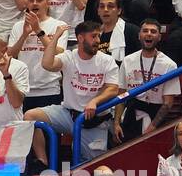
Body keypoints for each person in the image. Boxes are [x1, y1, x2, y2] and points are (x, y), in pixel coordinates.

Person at [25, 21, 120, 163]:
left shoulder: (106, 60)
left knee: (93, 164)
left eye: (98, 36)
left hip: (92, 119)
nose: (98, 41)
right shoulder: (69, 57)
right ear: (80, 38)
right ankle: (42, 162)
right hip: (68, 114)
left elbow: (113, 89)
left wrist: (94, 101)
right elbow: (47, 64)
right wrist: (56, 37)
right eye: (93, 36)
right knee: (30, 116)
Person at [116, 18, 180, 141]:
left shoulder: (169, 64)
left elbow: (168, 102)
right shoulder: (128, 60)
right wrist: (117, 122)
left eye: (153, 31)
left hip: (156, 115)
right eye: (145, 31)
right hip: (131, 114)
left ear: (159, 37)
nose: (149, 34)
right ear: (139, 35)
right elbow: (121, 95)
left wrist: (153, 126)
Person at [8, 0, 67, 121]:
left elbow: (59, 53)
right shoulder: (18, 26)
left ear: (47, 3)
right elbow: (10, 55)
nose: (35, 3)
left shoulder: (59, 25)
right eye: (31, 0)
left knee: (50, 136)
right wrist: (24, 35)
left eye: (39, 0)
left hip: (50, 89)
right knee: (26, 136)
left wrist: (38, 30)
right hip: (24, 89)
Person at [95, 0, 140, 67]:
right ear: (98, 11)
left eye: (110, 6)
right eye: (102, 7)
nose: (105, 10)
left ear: (119, 11)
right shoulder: (94, 33)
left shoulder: (132, 31)